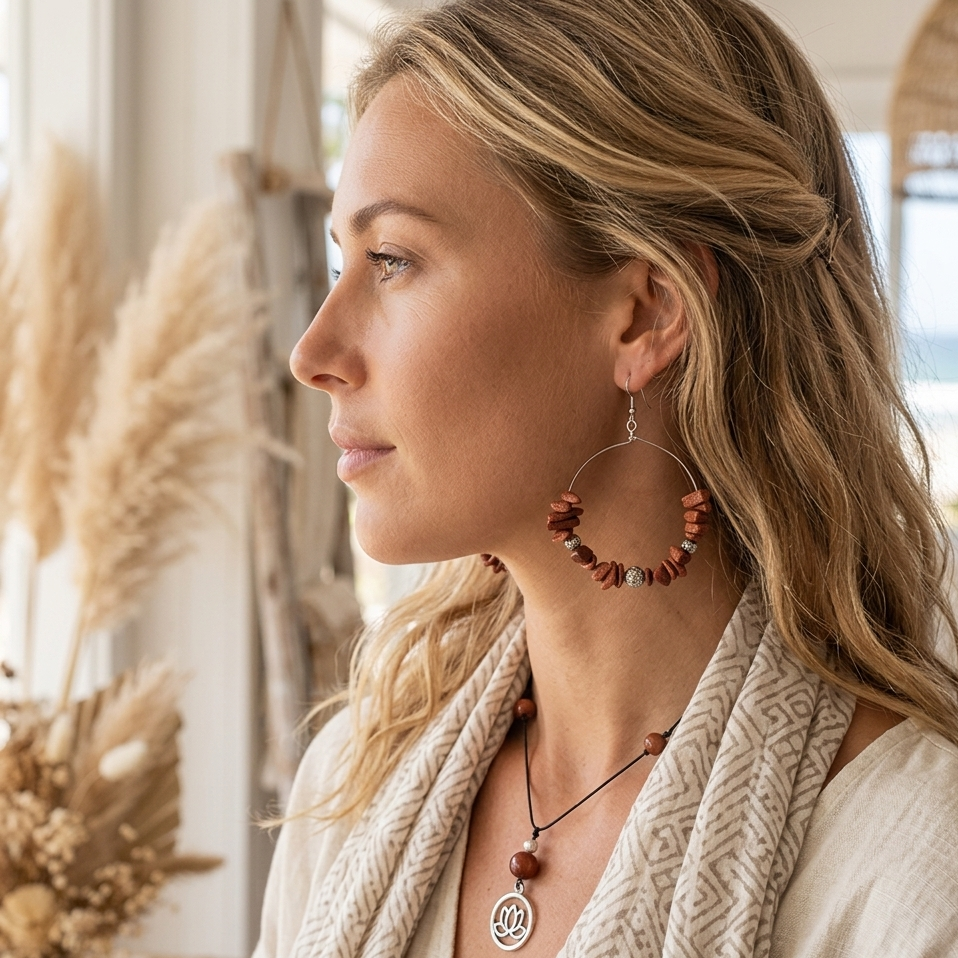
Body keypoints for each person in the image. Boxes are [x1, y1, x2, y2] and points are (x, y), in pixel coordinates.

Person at [254, 0, 958, 955]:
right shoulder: (352, 790)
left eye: (391, 259)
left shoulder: (908, 867)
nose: (313, 351)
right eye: (344, 259)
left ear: (642, 315)